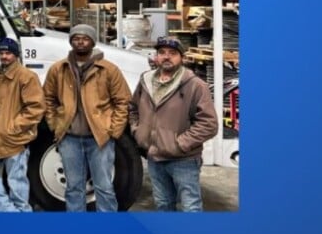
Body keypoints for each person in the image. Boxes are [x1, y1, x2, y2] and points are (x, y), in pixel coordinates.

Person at [43, 24, 131, 212]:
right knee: (74, 188)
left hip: (99, 139)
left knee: (104, 187)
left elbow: (123, 101)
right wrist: (54, 124)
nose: (80, 42)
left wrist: (113, 131)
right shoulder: (59, 69)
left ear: (92, 41)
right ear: (71, 42)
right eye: (76, 38)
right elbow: (48, 98)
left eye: (85, 38)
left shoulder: (108, 70)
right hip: (69, 139)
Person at [130, 36, 218, 212]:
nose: (166, 57)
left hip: (183, 159)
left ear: (182, 58)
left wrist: (180, 143)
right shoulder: (145, 81)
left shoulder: (195, 85)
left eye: (172, 53)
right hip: (154, 156)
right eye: (161, 52)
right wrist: (137, 131)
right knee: (163, 204)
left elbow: (209, 123)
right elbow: (132, 108)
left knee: (190, 206)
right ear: (156, 57)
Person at [0, 37, 45, 212]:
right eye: (1, 53)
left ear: (16, 55)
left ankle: (21, 220)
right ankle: (10, 213)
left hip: (14, 139)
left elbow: (36, 108)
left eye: (8, 53)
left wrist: (13, 128)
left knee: (17, 183)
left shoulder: (27, 77)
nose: (4, 56)